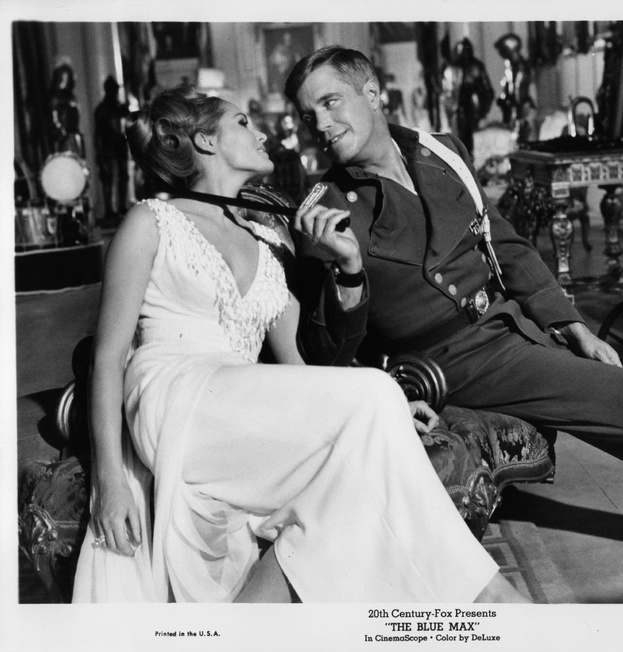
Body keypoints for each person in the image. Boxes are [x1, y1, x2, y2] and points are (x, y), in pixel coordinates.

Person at [285, 46, 623, 539]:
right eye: (309, 115)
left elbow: (504, 243)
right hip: (454, 362)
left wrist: (573, 326)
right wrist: (349, 269)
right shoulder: (326, 213)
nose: (320, 125)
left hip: (511, 327)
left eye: (331, 102)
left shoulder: (440, 152)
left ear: (372, 93)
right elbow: (326, 354)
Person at [72, 84, 528, 603]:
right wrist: (109, 479)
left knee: (355, 470)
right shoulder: (150, 221)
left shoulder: (267, 238)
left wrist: (349, 269)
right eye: (243, 122)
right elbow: (108, 357)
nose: (262, 132)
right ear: (204, 141)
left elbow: (303, 367)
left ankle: (251, 619)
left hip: (238, 403)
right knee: (372, 407)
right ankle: (490, 596)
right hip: (174, 398)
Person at [94, 76, 130, 222]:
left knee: (123, 176)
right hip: (107, 147)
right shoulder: (101, 109)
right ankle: (109, 209)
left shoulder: (121, 108)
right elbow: (98, 133)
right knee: (107, 178)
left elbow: (128, 127)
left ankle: (122, 206)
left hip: (120, 145)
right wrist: (99, 152)